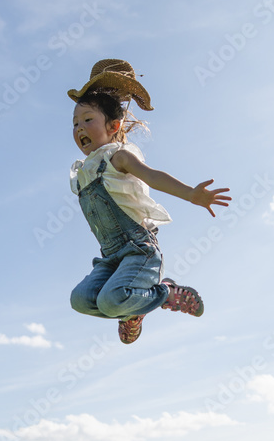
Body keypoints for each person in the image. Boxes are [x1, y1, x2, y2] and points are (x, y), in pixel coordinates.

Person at [68, 59, 230, 344]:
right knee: (80, 300)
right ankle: (133, 309)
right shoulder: (83, 171)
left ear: (114, 125)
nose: (79, 127)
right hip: (109, 258)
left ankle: (165, 293)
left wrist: (191, 194)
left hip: (138, 251)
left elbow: (153, 177)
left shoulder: (118, 156)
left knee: (111, 302)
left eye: (87, 120)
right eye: (75, 123)